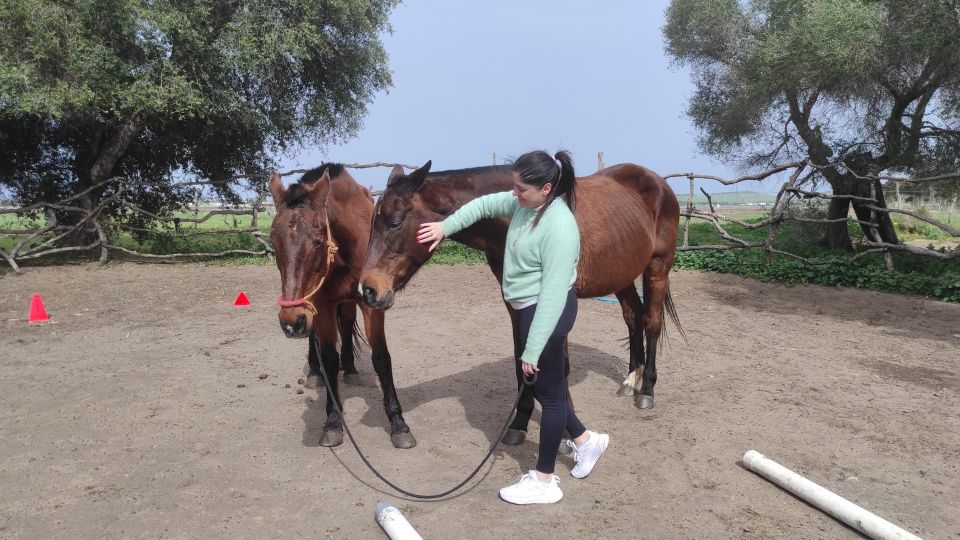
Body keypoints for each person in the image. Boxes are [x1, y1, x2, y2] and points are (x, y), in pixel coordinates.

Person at [417, 149, 609, 505]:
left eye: (521, 188)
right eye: (515, 186)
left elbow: (553, 295)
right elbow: (483, 205)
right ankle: (585, 441)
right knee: (545, 387)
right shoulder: (526, 205)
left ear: (546, 188)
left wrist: (532, 349)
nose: (514, 193)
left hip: (546, 314)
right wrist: (445, 227)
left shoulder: (560, 227)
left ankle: (544, 479)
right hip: (529, 310)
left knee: (550, 396)